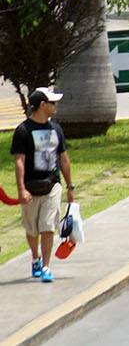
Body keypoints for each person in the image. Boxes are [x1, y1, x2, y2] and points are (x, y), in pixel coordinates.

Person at [11, 87, 74, 283]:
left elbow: (63, 159)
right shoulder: (23, 131)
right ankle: (35, 258)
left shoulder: (56, 129)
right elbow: (19, 161)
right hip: (30, 186)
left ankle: (46, 266)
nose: (56, 106)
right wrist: (21, 189)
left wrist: (70, 186)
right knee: (32, 229)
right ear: (42, 105)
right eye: (52, 103)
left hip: (52, 184)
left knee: (48, 226)